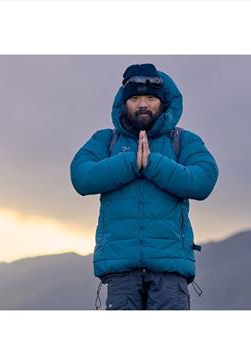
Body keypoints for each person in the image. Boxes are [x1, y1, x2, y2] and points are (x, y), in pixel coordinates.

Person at [70, 63, 219, 310]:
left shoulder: (182, 141)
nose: (142, 104)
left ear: (163, 103)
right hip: (121, 273)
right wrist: (131, 162)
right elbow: (82, 177)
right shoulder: (106, 140)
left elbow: (203, 180)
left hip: (170, 273)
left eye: (150, 98)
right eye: (135, 98)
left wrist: (151, 164)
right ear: (123, 103)